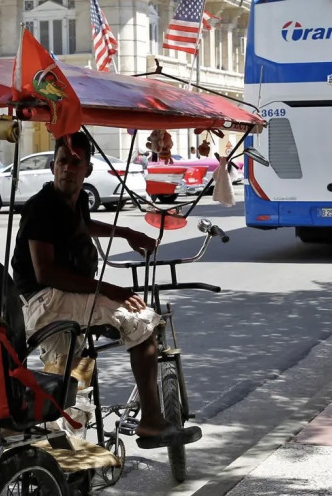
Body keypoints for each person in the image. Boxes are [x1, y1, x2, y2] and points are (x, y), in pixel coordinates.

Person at [11, 131, 202, 449]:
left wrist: (126, 231)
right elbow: (46, 272)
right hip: (46, 301)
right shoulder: (41, 207)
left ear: (87, 169)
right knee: (140, 322)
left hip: (66, 298)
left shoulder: (76, 200)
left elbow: (82, 225)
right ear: (52, 167)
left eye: (75, 163)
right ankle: (153, 423)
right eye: (62, 162)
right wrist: (108, 289)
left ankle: (69, 456)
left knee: (71, 385)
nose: (67, 169)